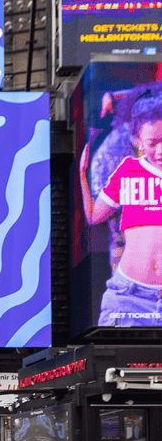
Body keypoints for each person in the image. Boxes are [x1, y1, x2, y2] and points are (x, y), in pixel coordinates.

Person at [79, 90, 162, 326]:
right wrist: (82, 177)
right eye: (152, 143)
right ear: (138, 142)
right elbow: (94, 217)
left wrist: (113, 95)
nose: (160, 151)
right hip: (129, 295)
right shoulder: (127, 170)